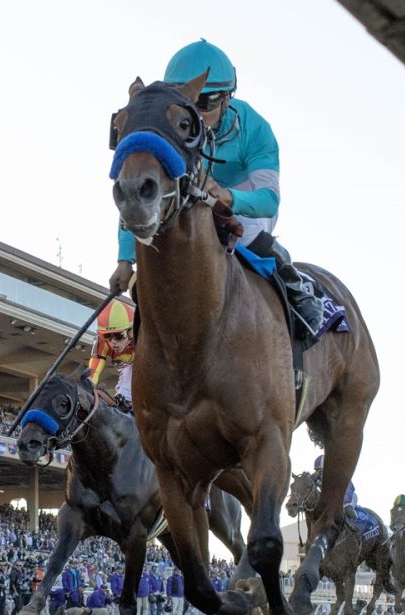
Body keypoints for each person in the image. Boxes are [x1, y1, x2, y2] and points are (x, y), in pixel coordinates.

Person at [109, 39, 324, 335]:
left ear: (226, 99)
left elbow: (268, 200)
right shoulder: (172, 124)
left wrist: (228, 196)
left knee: (244, 229)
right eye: (186, 102)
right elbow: (141, 193)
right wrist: (125, 260)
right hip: (191, 196)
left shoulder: (255, 128)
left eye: (204, 103)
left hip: (241, 202)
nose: (194, 113)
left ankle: (296, 288)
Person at [87, 298, 136, 408]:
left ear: (131, 331)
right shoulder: (101, 341)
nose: (113, 342)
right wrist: (88, 385)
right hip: (129, 368)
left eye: (118, 336)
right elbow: (93, 374)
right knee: (123, 394)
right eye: (107, 336)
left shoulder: (143, 335)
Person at [311, 455, 364, 535]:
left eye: (321, 471)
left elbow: (349, 492)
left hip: (348, 497)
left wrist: (342, 502)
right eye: (318, 471)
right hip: (333, 500)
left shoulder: (341, 476)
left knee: (347, 509)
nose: (320, 474)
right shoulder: (318, 477)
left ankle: (357, 530)